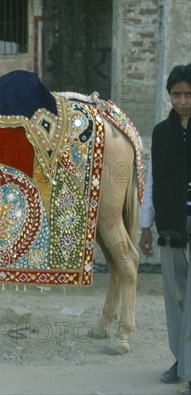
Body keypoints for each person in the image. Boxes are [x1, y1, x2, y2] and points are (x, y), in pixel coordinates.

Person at [140, 63, 191, 395]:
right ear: (169, 95)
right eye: (177, 94)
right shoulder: (160, 133)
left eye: (188, 94)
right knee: (176, 298)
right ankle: (180, 360)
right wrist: (145, 226)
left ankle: (188, 367)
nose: (183, 101)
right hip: (171, 226)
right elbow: (152, 181)